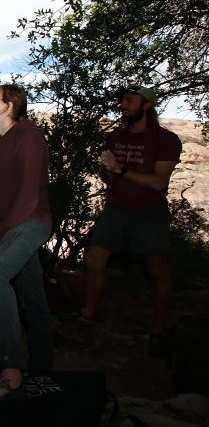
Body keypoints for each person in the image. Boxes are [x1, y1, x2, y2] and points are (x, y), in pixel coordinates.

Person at [81, 85, 181, 358]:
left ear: (146, 105)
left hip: (149, 211)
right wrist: (107, 172)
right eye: (122, 100)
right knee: (95, 260)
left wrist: (120, 170)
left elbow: (159, 182)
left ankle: (158, 330)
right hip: (116, 209)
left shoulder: (166, 140)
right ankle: (88, 316)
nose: (123, 105)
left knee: (157, 270)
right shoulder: (114, 137)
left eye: (129, 100)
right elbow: (109, 174)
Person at [0, 85, 53, 402]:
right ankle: (44, 363)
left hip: (32, 221)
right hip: (9, 224)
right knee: (32, 296)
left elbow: (27, 198)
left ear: (8, 107)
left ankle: (10, 368)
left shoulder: (29, 137)